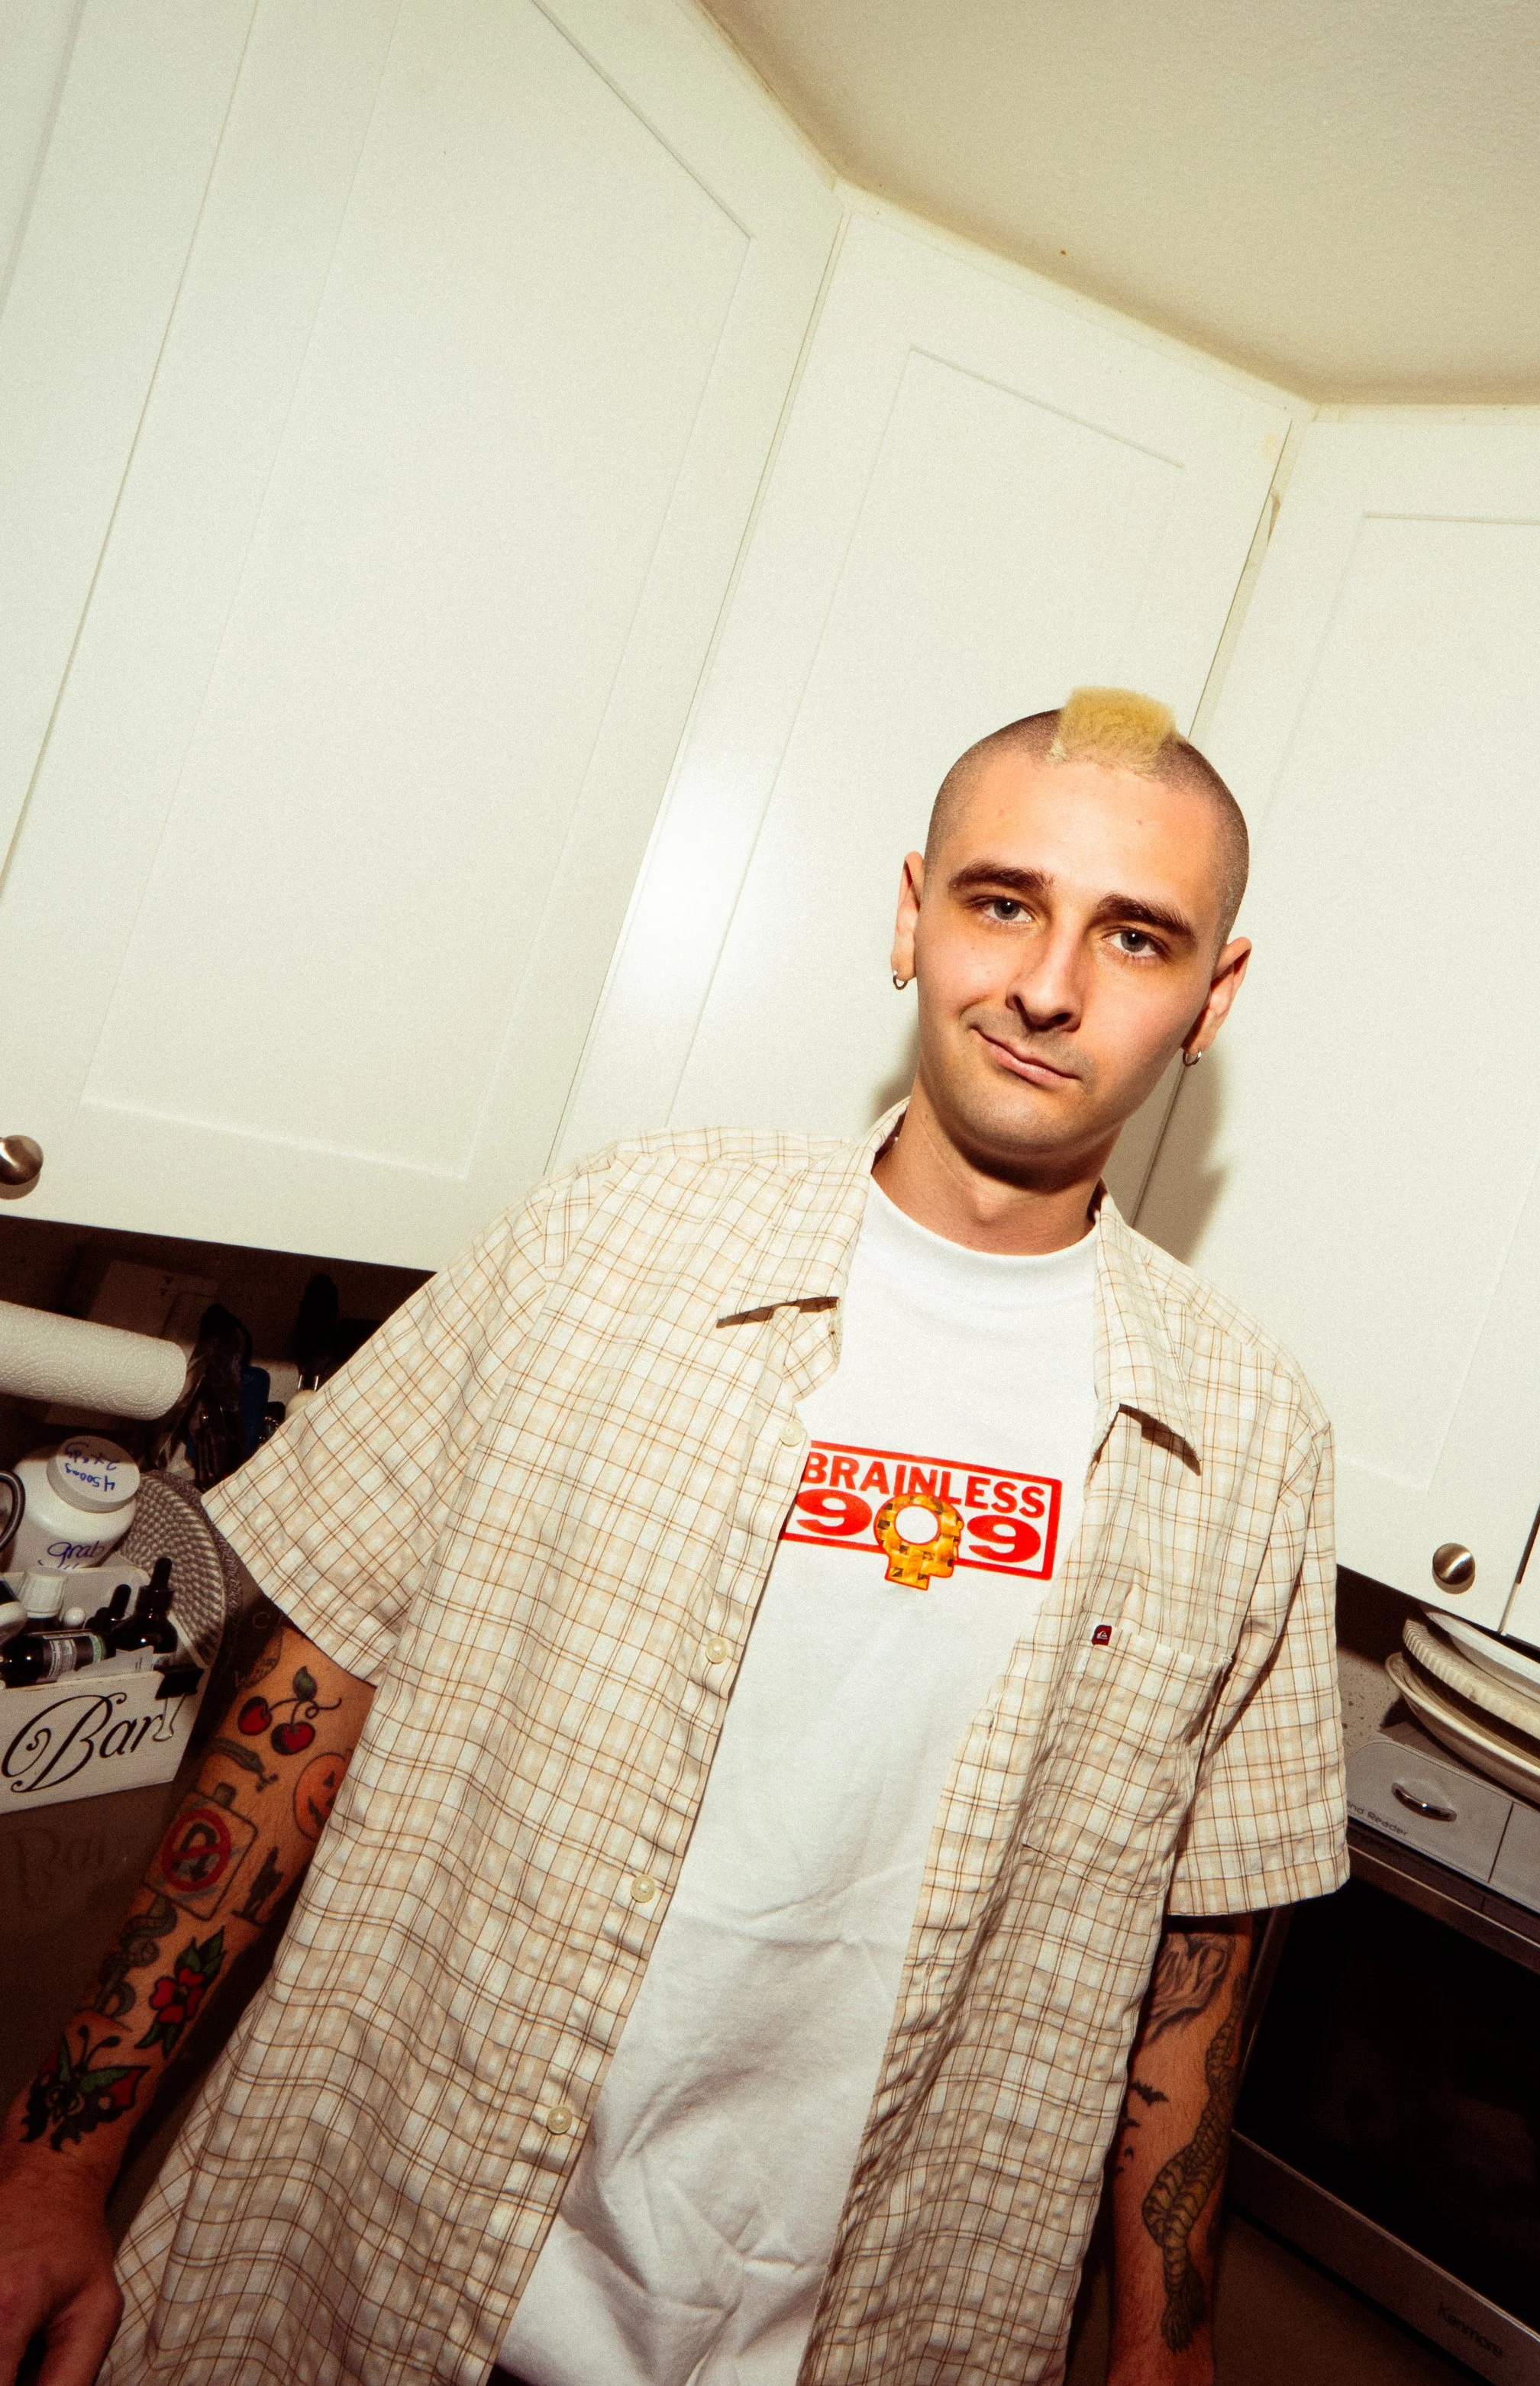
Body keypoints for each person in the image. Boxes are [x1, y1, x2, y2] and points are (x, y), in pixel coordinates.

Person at [0, 687, 1345, 2386]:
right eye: (1002, 901)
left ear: (1213, 995)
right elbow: (305, 1704)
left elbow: (1205, 1944)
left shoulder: (1247, 1435)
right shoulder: (608, 1241)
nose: (1048, 984)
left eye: (1134, 936)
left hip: (865, 2335)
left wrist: (1166, 2343)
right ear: (911, 913)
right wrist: (53, 2166)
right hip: (371, 2249)